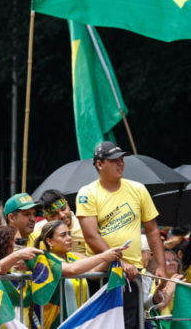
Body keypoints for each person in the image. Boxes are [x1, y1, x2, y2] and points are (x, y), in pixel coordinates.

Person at [76, 141, 166, 329]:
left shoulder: (138, 189)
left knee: (131, 325)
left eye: (122, 159)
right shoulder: (87, 193)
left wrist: (161, 266)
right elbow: (91, 236)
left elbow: (152, 230)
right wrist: (120, 262)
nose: (120, 163)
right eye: (113, 160)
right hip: (101, 273)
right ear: (99, 164)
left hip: (132, 274)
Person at [37, 219, 125, 322]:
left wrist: (111, 257)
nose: (69, 238)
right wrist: (104, 256)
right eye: (63, 235)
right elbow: (72, 269)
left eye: (69, 234)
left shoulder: (74, 256)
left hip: (79, 320)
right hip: (54, 321)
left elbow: (93, 273)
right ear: (49, 241)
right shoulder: (44, 258)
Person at [35, 189, 85, 255]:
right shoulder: (36, 232)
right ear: (47, 218)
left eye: (63, 209)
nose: (62, 215)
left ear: (68, 205)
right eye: (55, 214)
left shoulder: (85, 227)